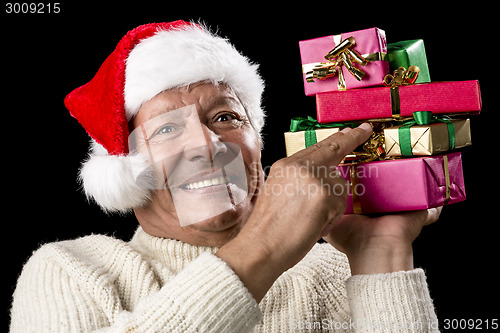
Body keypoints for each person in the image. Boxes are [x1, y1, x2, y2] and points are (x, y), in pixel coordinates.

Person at [10, 20, 441, 332]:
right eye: (166, 129)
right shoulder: (71, 270)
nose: (206, 145)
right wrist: (265, 247)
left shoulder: (334, 270)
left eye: (225, 116)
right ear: (126, 170)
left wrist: (379, 257)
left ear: (256, 140)